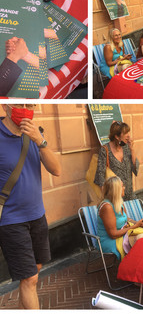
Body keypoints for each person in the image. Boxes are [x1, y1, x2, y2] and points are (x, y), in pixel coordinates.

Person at [0, 104, 61, 309]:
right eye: (20, 104)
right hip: (11, 220)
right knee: (30, 279)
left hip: (37, 216)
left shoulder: (36, 133)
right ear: (5, 106)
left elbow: (57, 170)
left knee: (34, 270)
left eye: (30, 105)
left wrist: (40, 141)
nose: (26, 109)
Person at [97, 176, 143, 260]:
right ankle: (136, 266)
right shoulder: (107, 207)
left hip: (123, 234)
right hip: (110, 240)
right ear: (116, 190)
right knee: (141, 240)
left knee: (142, 239)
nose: (124, 187)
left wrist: (137, 223)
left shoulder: (119, 202)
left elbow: (126, 219)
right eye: (122, 186)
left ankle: (139, 265)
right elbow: (113, 235)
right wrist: (135, 226)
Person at [94, 121, 138, 201]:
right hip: (115, 198)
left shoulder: (126, 148)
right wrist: (106, 198)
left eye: (128, 132)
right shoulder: (105, 150)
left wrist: (132, 150)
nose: (128, 136)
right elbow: (100, 176)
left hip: (129, 195)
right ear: (117, 137)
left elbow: (135, 169)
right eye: (125, 133)